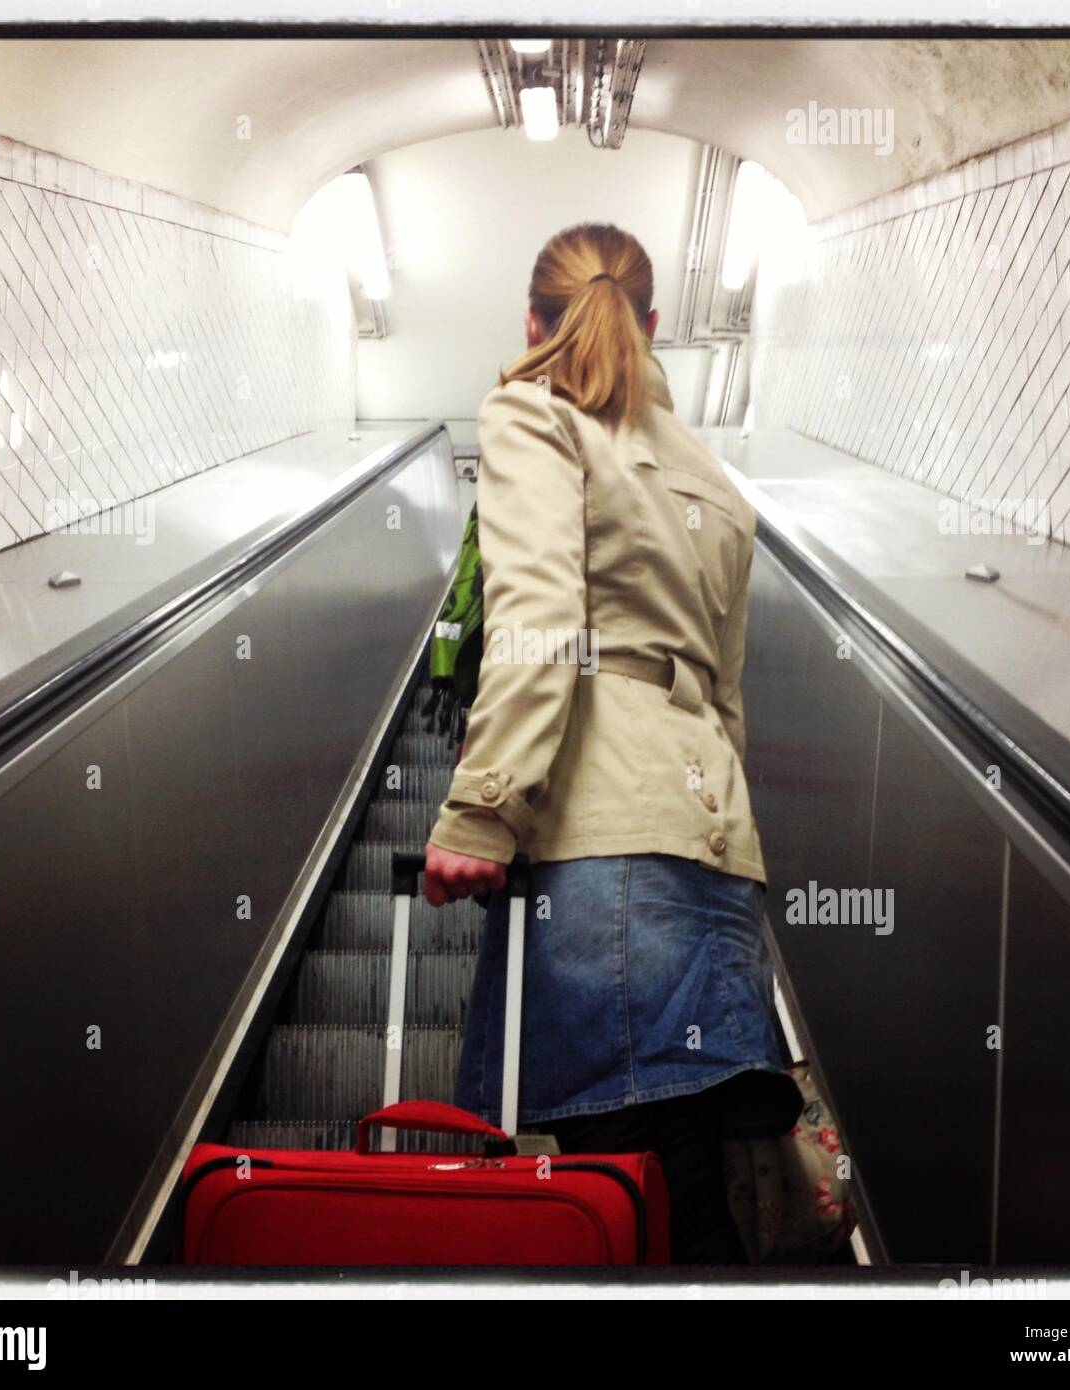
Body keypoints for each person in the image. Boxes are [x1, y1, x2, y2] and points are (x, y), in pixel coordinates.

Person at [423, 222, 799, 1265]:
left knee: (607, 1188)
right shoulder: (715, 480)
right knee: (687, 1190)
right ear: (655, 326)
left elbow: (540, 622)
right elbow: (725, 696)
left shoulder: (532, 415)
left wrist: (483, 808)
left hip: (602, 843)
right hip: (711, 855)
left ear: (531, 322)